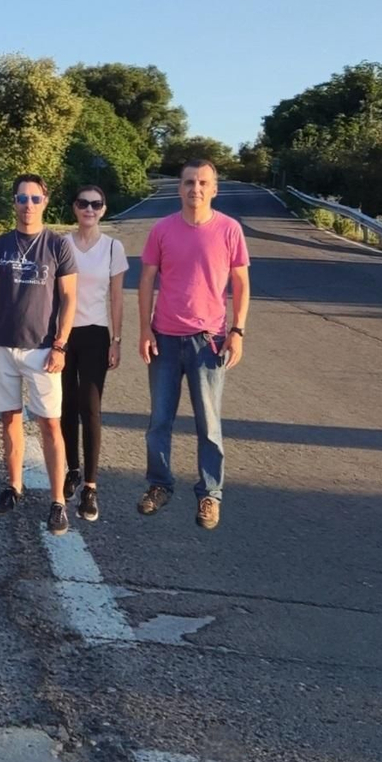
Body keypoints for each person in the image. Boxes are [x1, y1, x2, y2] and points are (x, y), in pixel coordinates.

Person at [137, 159, 250, 530]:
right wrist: (145, 330)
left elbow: (241, 284)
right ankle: (159, 485)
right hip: (165, 339)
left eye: (203, 183)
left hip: (209, 341)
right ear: (179, 187)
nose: (195, 189)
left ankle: (210, 494)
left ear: (214, 189)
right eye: (189, 182)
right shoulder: (162, 229)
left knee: (209, 425)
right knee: (159, 421)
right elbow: (146, 281)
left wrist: (238, 331)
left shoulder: (229, 230)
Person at [0, 175, 78, 536]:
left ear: (45, 201)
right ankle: (14, 487)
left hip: (43, 348)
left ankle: (58, 501)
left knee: (50, 423)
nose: (28, 205)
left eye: (34, 198)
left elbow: (69, 298)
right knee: (9, 419)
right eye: (21, 198)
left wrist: (61, 343)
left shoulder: (58, 245)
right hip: (0, 345)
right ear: (14, 202)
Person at [62, 184, 129, 523]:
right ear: (74, 208)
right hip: (63, 334)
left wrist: (116, 340)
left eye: (96, 204)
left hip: (96, 333)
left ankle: (90, 486)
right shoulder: (62, 244)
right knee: (65, 406)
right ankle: (71, 470)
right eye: (83, 203)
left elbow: (116, 297)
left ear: (103, 209)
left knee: (90, 408)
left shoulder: (113, 247)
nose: (89, 209)